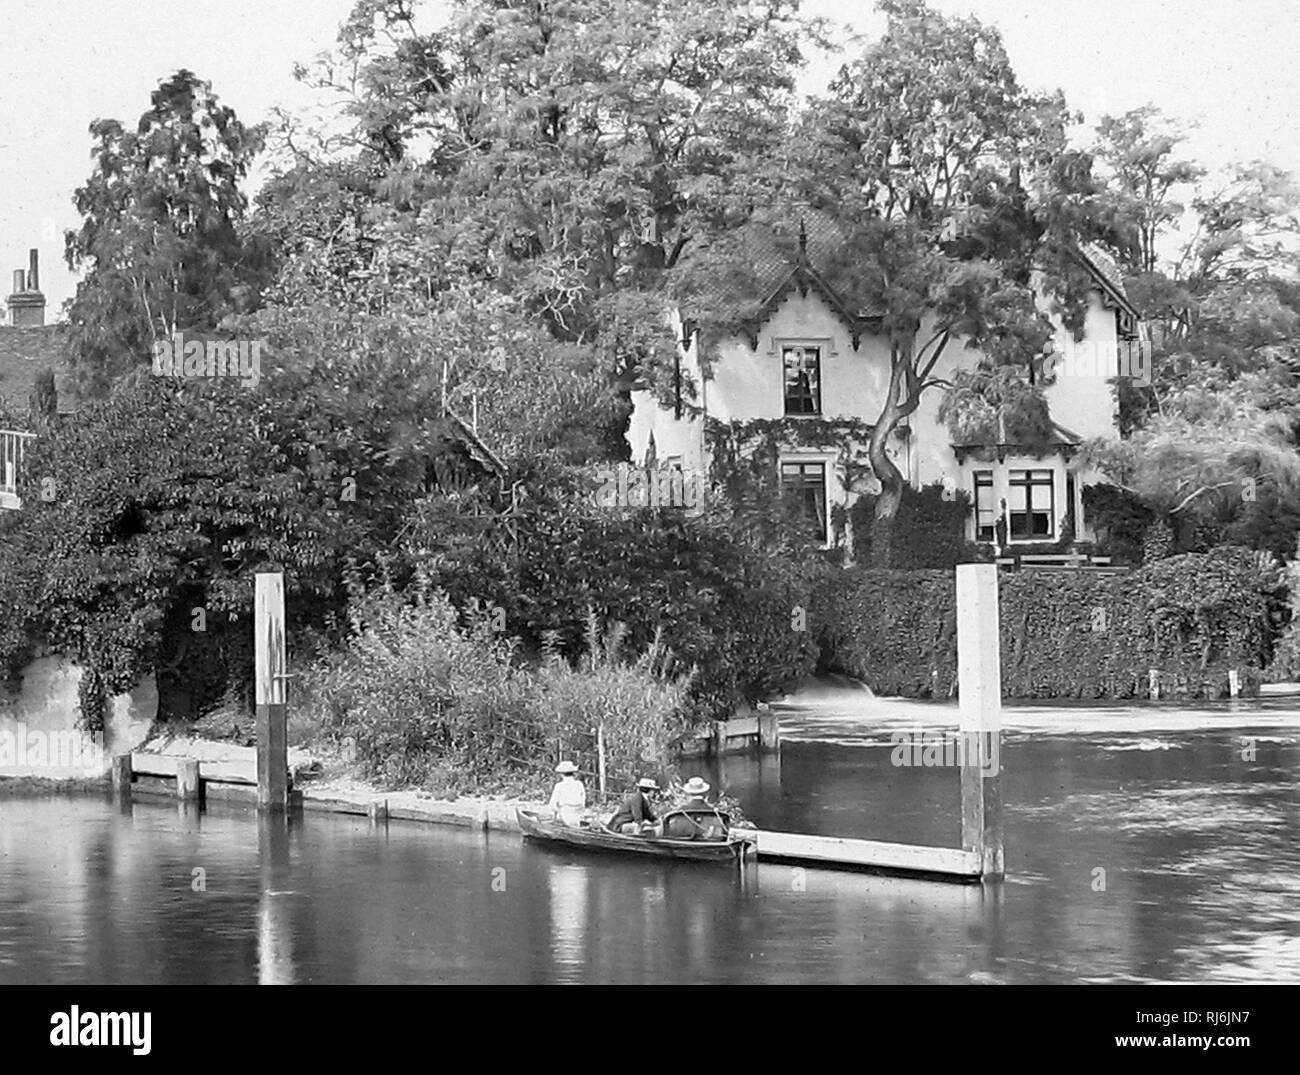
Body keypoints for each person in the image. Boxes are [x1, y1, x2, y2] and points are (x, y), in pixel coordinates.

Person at [662, 777, 727, 840]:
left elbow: (671, 834)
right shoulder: (715, 813)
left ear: (687, 793)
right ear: (706, 794)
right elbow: (719, 836)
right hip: (710, 848)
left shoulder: (678, 812)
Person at [547, 760, 586, 827]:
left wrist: (556, 811)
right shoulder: (579, 784)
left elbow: (552, 805)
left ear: (561, 774)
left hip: (565, 813)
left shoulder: (559, 786)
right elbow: (583, 801)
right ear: (573, 773)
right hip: (577, 815)